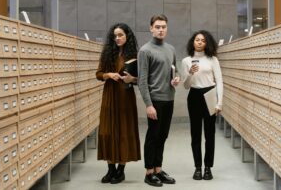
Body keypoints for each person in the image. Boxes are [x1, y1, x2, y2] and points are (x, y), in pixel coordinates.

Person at [138, 14, 180, 187]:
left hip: (169, 98)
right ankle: (149, 172)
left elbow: (174, 70)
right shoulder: (145, 51)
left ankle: (158, 169)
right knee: (153, 136)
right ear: (151, 28)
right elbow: (142, 81)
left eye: (163, 27)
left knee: (163, 135)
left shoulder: (171, 49)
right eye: (157, 27)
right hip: (155, 100)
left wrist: (176, 78)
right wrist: (148, 105)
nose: (161, 29)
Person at [95, 23, 141, 184]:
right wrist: (108, 74)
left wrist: (132, 79)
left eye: (121, 35)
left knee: (124, 131)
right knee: (107, 131)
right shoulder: (108, 54)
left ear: (127, 36)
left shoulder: (134, 54)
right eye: (115, 36)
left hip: (125, 97)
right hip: (110, 95)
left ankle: (121, 171)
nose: (118, 38)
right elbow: (98, 74)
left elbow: (139, 79)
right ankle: (110, 169)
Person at [181, 30, 223, 181]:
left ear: (207, 43)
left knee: (209, 134)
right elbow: (185, 86)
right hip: (194, 96)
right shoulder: (186, 61)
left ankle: (208, 168)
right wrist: (190, 73)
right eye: (197, 40)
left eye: (203, 40)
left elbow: (219, 81)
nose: (199, 42)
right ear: (193, 42)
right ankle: (198, 167)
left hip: (210, 94)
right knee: (195, 134)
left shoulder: (213, 60)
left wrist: (220, 102)